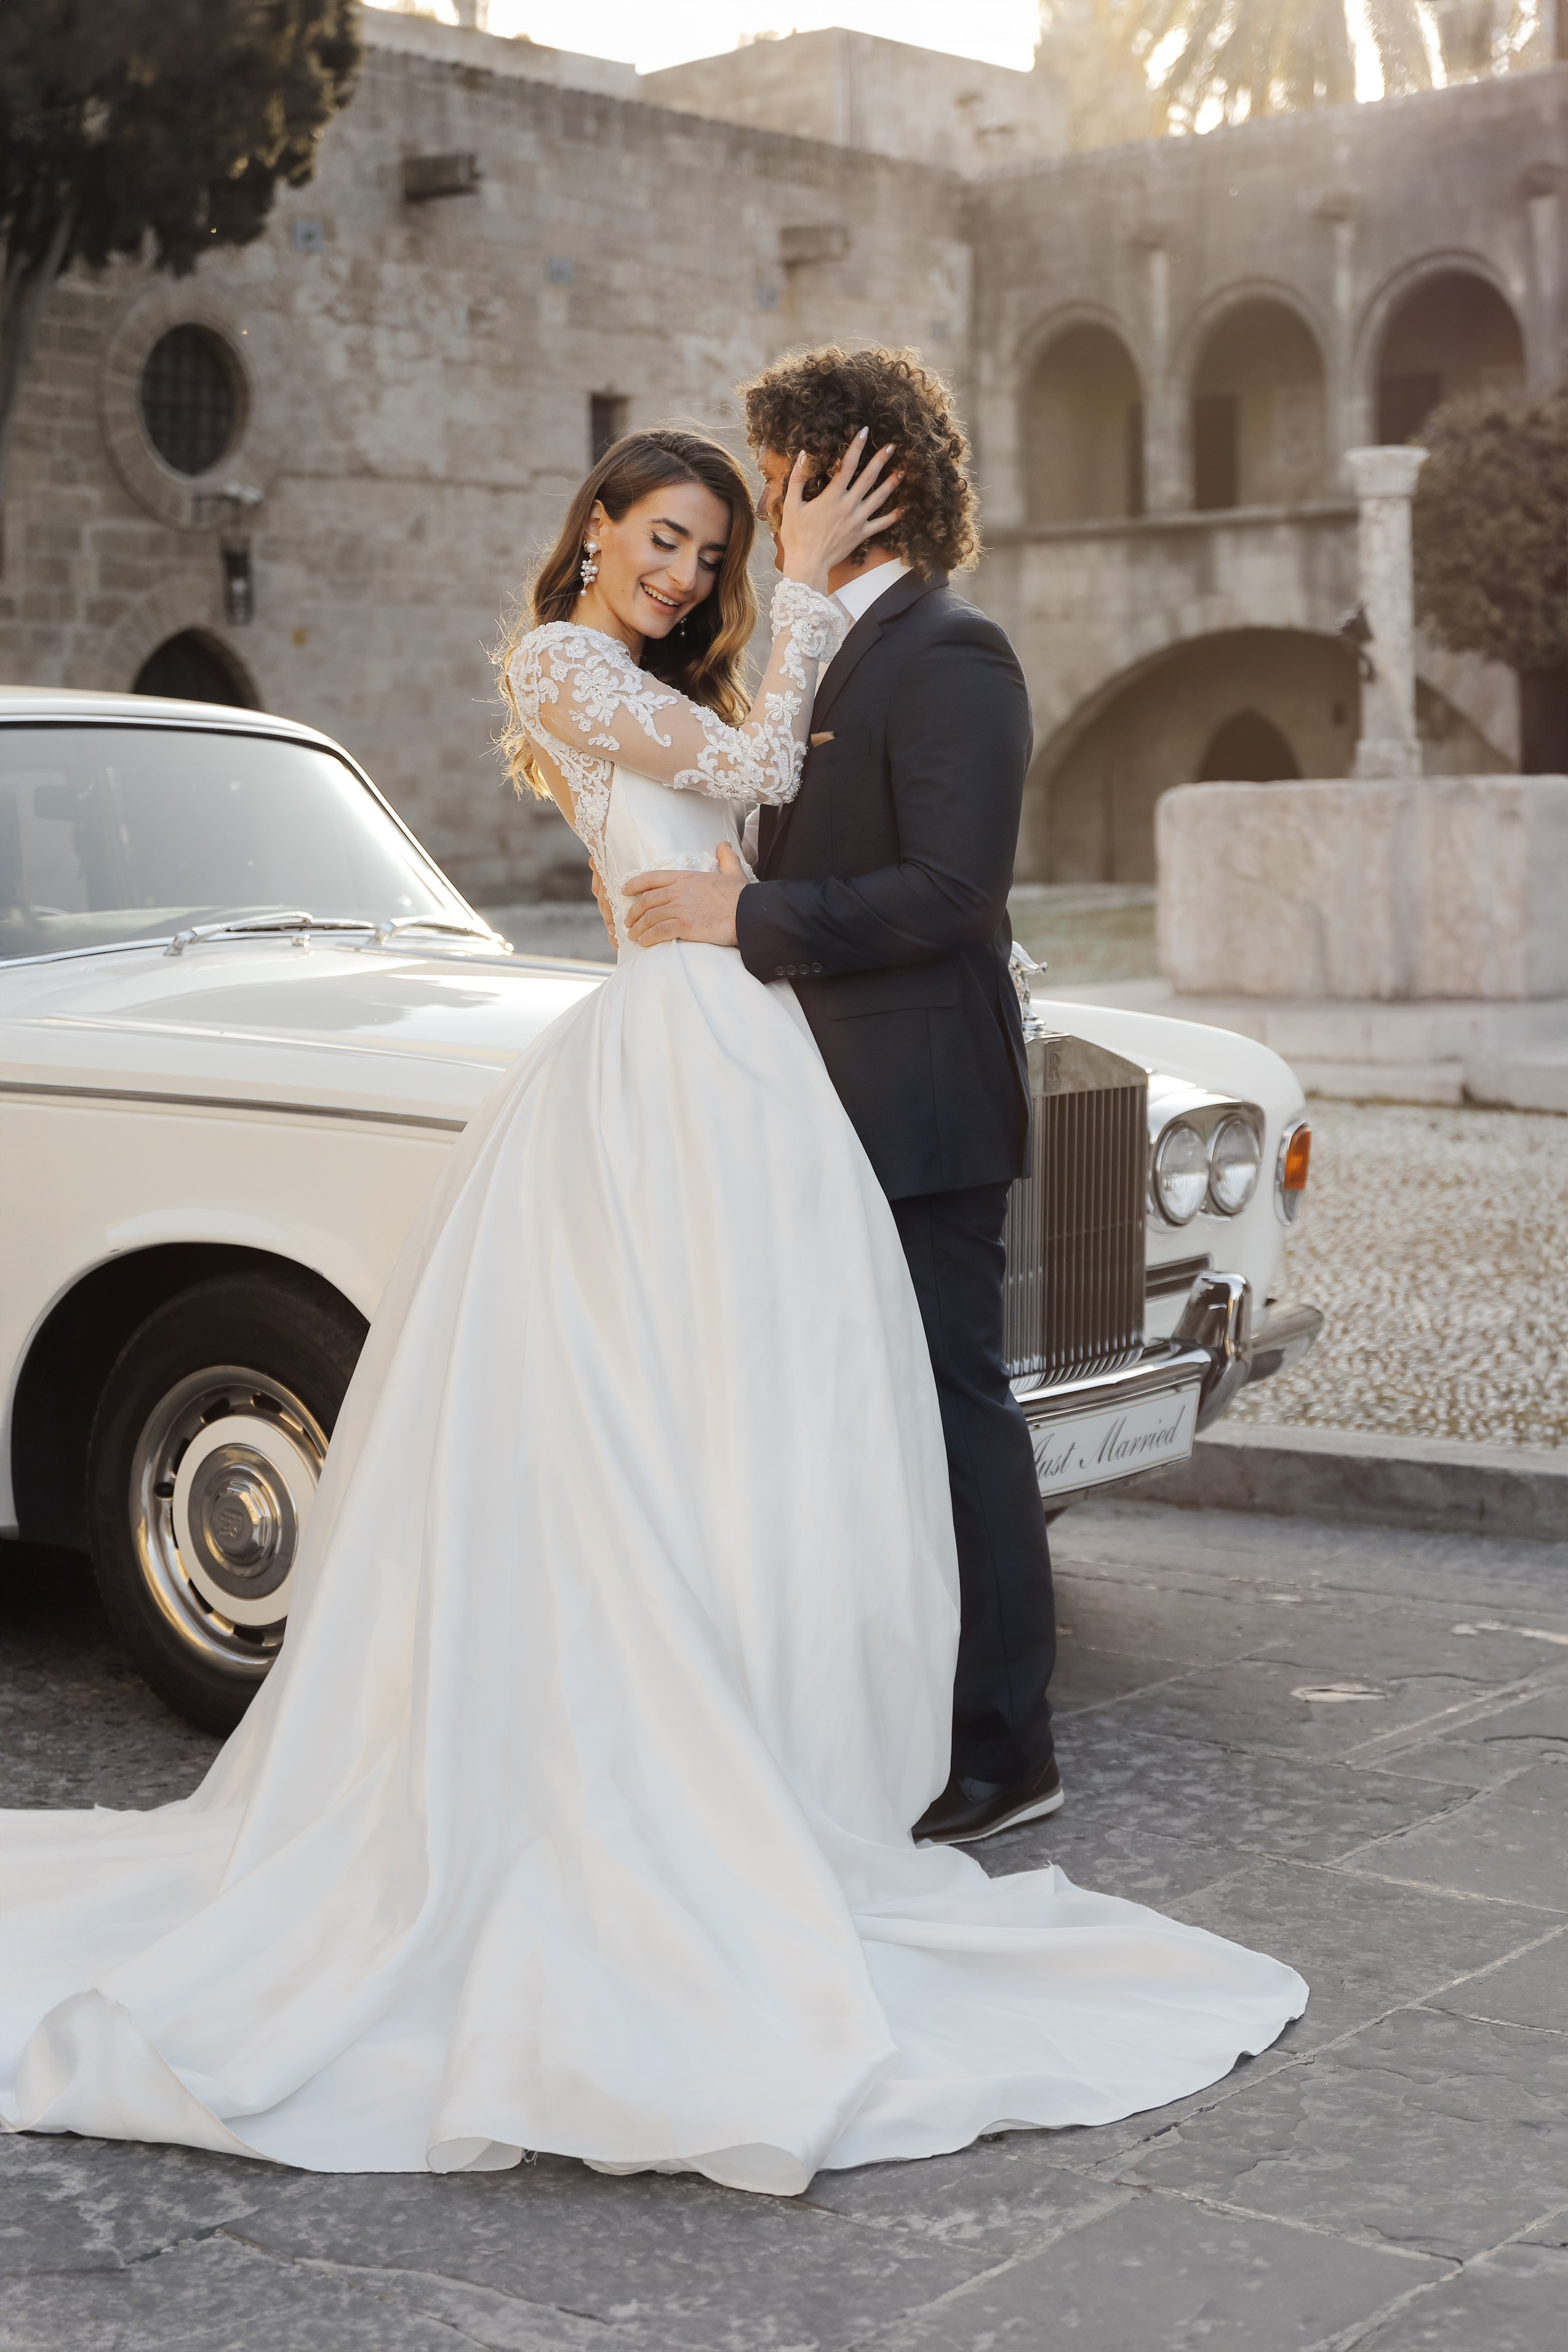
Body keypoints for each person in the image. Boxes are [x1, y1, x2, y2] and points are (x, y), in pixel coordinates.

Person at [0, 425, 1305, 2192]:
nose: (690, 573)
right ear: (598, 528)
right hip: (673, 1048)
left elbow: (763, 801)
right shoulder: (557, 660)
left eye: (712, 552)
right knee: (627, 1421)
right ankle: (639, 1784)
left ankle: (780, 1734)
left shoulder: (647, 668)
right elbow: (759, 760)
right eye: (669, 540)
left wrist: (789, 688)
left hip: (740, 1045)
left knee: (750, 1416)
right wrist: (817, 587)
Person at [620, 347, 1054, 1844]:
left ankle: (1007, 1749)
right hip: (811, 1102)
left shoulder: (950, 650)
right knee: (859, 1429)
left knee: (950, 1419)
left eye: (767, 470)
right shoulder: (815, 650)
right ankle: (889, 1717)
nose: (748, 504)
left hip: (918, 1101)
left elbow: (950, 891)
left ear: (829, 475)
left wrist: (744, 920)